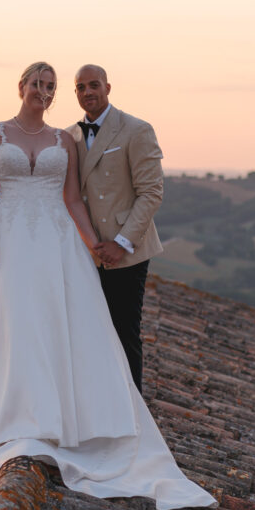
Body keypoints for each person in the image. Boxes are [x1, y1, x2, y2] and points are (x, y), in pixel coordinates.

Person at [0, 62, 215, 510]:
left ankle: (69, 418)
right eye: (36, 84)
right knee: (15, 325)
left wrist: (93, 245)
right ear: (20, 87)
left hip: (58, 244)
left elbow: (73, 199)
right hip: (8, 240)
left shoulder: (65, 140)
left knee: (59, 326)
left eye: (51, 86)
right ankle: (15, 416)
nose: (43, 91)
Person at [64, 64, 164, 394]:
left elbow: (151, 192)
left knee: (124, 333)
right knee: (87, 334)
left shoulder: (136, 129)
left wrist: (121, 243)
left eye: (94, 85)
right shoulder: (70, 136)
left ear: (108, 87)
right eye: (81, 87)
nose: (88, 92)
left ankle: (132, 412)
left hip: (126, 252)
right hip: (87, 251)